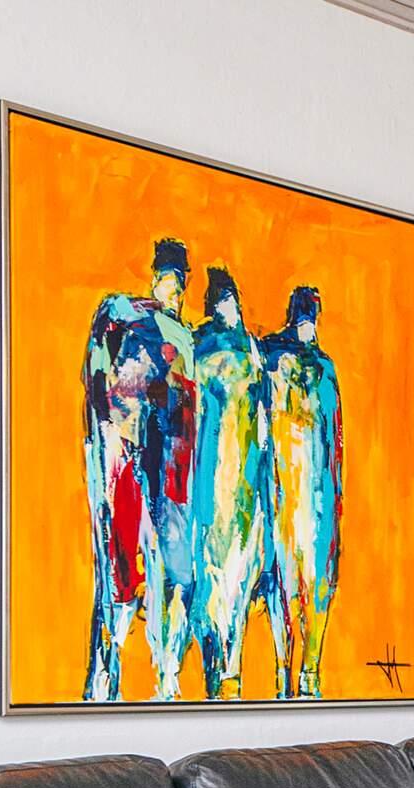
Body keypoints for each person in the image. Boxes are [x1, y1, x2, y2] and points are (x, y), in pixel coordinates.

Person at [80, 237, 198, 701]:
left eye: (179, 284)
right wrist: (112, 427)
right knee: (121, 576)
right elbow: (97, 380)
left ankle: (165, 681)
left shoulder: (184, 338)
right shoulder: (124, 315)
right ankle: (105, 680)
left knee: (174, 577)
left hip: (170, 476)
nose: (174, 291)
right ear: (156, 279)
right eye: (169, 281)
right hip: (128, 462)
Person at [188, 264, 284, 700]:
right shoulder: (207, 347)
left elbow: (265, 425)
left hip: (240, 484)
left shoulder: (247, 350)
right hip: (214, 485)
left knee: (235, 580)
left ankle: (228, 678)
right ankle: (221, 679)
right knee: (216, 583)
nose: (231, 309)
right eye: (225, 302)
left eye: (232, 302)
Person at [263, 286, 344, 700]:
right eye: (306, 318)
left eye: (313, 319)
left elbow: (335, 440)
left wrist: (335, 492)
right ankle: (284, 671)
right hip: (285, 490)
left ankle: (309, 671)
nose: (310, 327)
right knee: (282, 582)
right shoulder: (274, 362)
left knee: (315, 583)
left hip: (316, 494)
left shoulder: (324, 369)